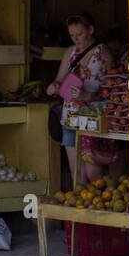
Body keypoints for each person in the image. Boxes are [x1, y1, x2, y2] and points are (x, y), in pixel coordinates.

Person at [45, 13, 109, 183]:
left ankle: (98, 207)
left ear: (91, 30)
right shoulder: (70, 52)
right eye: (72, 35)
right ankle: (81, 206)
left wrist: (86, 95)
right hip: (71, 117)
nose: (75, 39)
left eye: (79, 34)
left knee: (93, 172)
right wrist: (55, 86)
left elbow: (113, 87)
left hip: (94, 117)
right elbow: (59, 79)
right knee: (76, 171)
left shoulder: (103, 53)